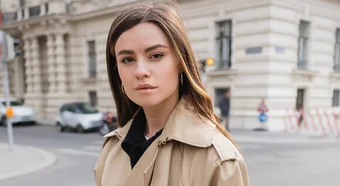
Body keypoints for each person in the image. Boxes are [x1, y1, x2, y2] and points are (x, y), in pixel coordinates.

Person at [94, 2, 249, 186]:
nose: (140, 71)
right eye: (127, 59)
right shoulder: (111, 149)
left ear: (181, 62)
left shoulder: (218, 159)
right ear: (116, 71)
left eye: (156, 55)